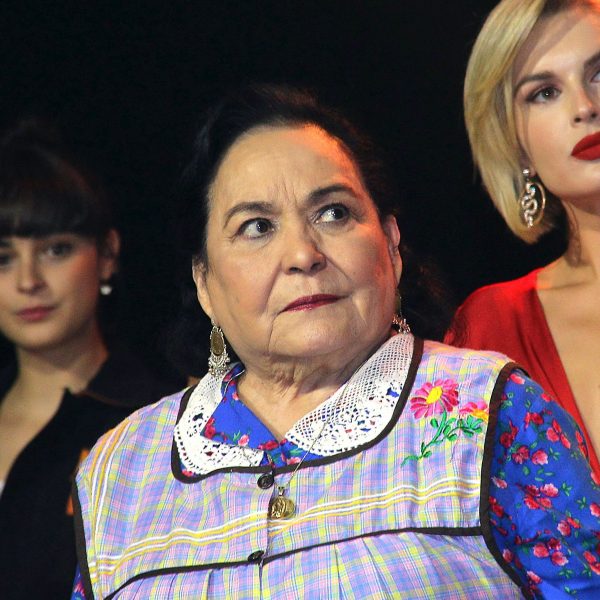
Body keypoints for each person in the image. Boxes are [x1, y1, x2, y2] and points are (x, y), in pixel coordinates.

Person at [73, 85, 600, 599]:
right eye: (257, 227)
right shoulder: (119, 471)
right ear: (205, 283)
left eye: (334, 213)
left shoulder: (492, 411)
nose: (303, 254)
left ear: (390, 244)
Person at [0, 120, 181, 600]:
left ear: (107, 254)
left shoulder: (164, 416)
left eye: (55, 250)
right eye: (3, 258)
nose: (28, 281)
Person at [445, 0, 600, 475]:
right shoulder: (493, 329)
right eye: (544, 92)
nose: (585, 107)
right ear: (515, 143)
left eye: (599, 73)